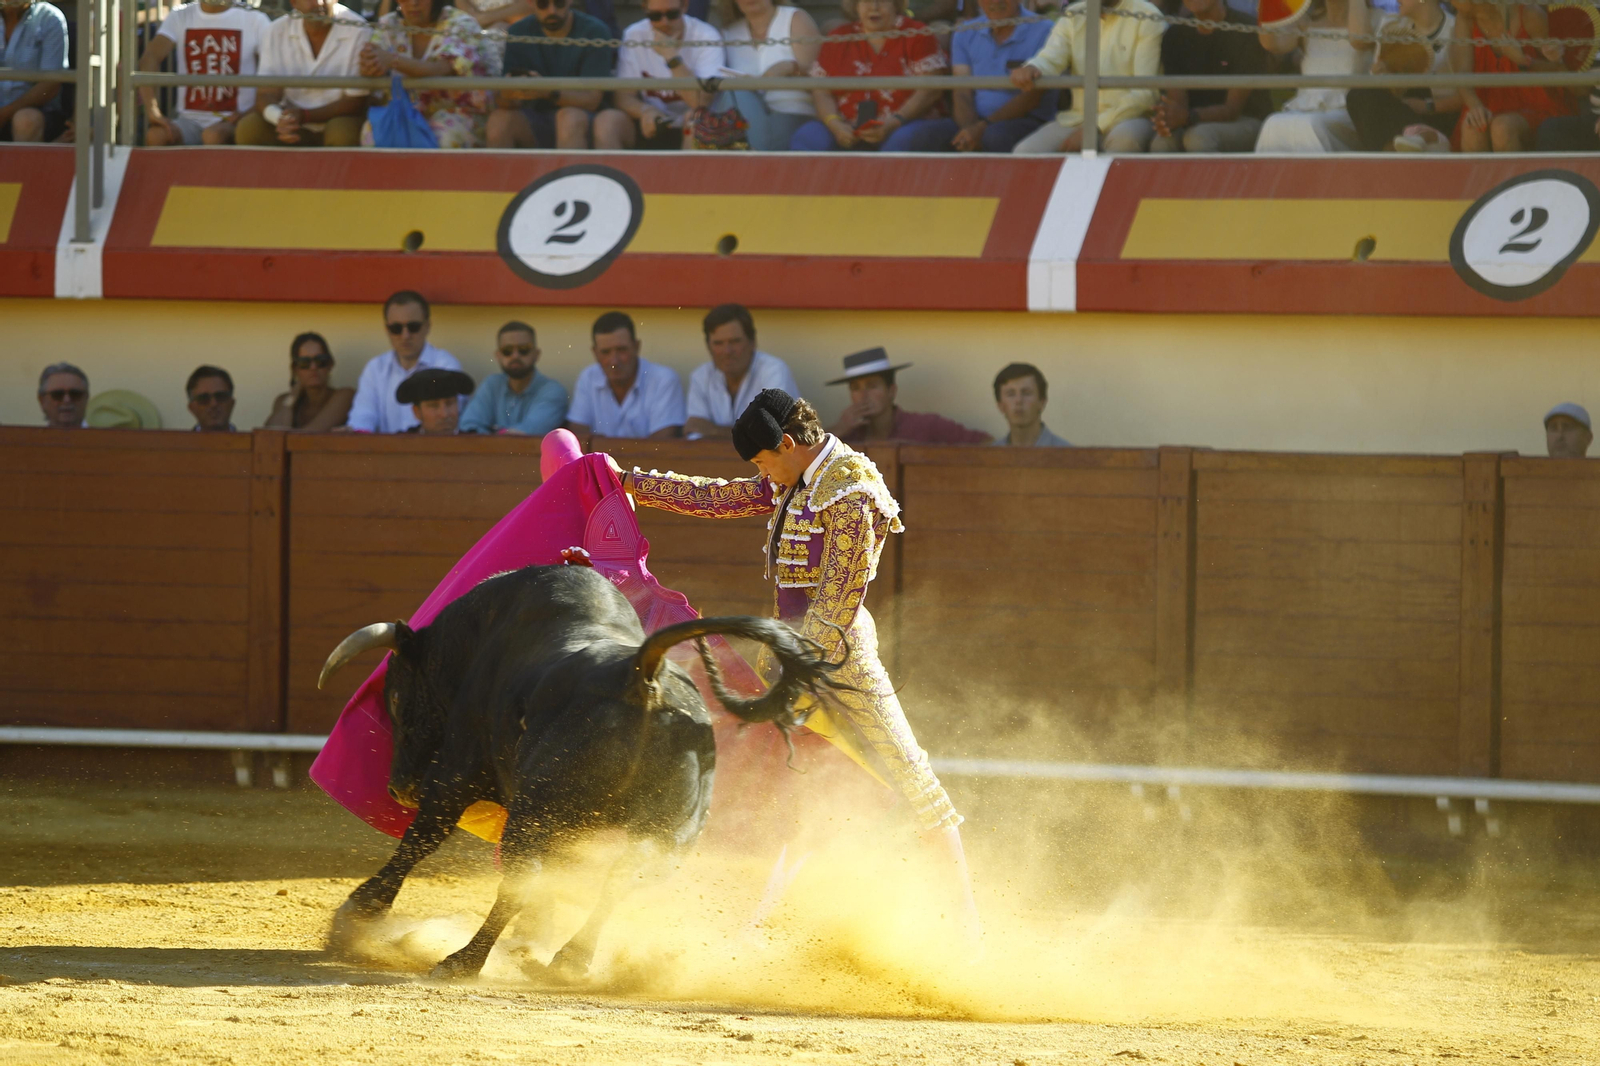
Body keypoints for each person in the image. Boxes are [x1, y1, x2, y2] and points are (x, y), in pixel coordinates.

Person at [617, 389, 981, 945]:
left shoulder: (851, 489)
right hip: (791, 655)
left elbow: (836, 603)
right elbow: (722, 498)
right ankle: (759, 922)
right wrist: (632, 483)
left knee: (917, 786)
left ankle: (966, 934)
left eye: (765, 461)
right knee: (785, 779)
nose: (764, 475)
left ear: (787, 444)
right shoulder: (798, 479)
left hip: (839, 663)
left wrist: (791, 669)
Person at [787, 0, 951, 152]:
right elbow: (821, 90)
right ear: (855, 6)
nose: (874, 7)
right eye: (865, 0)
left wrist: (893, 123)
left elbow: (929, 90)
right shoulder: (838, 37)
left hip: (908, 123)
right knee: (807, 136)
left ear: (896, 4)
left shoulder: (918, 34)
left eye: (882, 0)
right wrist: (834, 124)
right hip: (847, 127)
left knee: (901, 141)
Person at [1010, 0, 1166, 154]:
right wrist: (1033, 68)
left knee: (1125, 140)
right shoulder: (1073, 14)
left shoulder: (1146, 14)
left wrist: (1094, 127)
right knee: (1026, 152)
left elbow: (1146, 93)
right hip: (1078, 118)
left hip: (1131, 117)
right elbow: (1051, 57)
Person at [360, 0, 497, 148]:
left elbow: (440, 69)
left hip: (461, 113)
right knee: (371, 133)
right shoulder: (388, 23)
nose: (413, 3)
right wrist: (370, 65)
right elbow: (372, 61)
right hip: (403, 111)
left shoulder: (461, 23)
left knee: (443, 136)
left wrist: (392, 60)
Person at [237, 0, 370, 148]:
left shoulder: (359, 29)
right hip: (294, 121)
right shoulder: (276, 30)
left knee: (342, 132)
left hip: (337, 120)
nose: (319, 3)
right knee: (249, 129)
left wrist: (305, 115)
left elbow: (356, 102)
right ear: (294, 2)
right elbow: (266, 93)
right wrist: (280, 119)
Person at [593, 0, 724, 150]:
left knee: (697, 119)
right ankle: (611, 174)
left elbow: (700, 103)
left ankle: (687, 173)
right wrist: (644, 111)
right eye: (655, 16)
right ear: (645, 10)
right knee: (607, 121)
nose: (664, 22)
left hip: (691, 127)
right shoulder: (635, 34)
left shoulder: (706, 35)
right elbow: (623, 96)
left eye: (672, 14)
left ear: (685, 7)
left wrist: (671, 57)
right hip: (651, 125)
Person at [1145, 0, 1271, 153]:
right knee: (1162, 142)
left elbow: (1232, 109)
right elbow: (1177, 102)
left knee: (1198, 138)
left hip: (1246, 119)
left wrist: (1188, 117)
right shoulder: (1175, 35)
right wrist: (1169, 118)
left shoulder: (1246, 30)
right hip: (1192, 119)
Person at [139, 0, 271, 146]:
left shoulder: (255, 19)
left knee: (213, 136)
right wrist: (152, 110)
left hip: (236, 120)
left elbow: (272, 74)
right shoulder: (180, 15)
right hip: (188, 121)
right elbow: (150, 57)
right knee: (156, 136)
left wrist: (247, 115)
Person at [487, 0, 614, 150]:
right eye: (543, 4)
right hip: (536, 119)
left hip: (585, 121)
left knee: (568, 118)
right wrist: (509, 94)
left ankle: (571, 173)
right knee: (498, 121)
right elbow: (504, 102)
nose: (552, 11)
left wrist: (547, 91)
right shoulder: (518, 31)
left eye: (559, 4)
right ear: (530, 3)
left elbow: (592, 100)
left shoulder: (594, 31)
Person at [935, 0, 1056, 154]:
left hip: (1026, 120)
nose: (995, 1)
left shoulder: (1045, 29)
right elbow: (961, 91)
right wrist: (969, 129)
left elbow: (1032, 97)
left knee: (994, 136)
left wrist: (980, 128)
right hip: (973, 121)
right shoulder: (964, 32)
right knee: (916, 137)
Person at [1253, 0, 1374, 153]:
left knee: (1311, 125)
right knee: (1273, 123)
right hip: (1305, 108)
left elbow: (1359, 40)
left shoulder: (1374, 19)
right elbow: (1273, 45)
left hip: (1348, 112)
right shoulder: (1307, 22)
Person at [1451, 1, 1572, 153]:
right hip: (1488, 102)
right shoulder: (1464, 18)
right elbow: (1463, 73)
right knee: (1472, 128)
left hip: (1536, 105)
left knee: (1502, 128)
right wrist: (1475, 106)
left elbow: (1558, 71)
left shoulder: (1529, 14)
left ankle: (1516, 177)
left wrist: (1523, 61)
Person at [1344, 0, 1459, 152]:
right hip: (1402, 109)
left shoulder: (1455, 30)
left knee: (1418, 87)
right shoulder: (1391, 27)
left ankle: (1425, 137)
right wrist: (1383, 73)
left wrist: (1426, 106)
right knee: (1357, 95)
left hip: (1437, 112)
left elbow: (1467, 94)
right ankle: (1395, 149)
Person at [348, 290, 464, 434]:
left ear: (427, 326)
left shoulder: (445, 365)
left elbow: (449, 425)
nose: (405, 335)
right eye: (396, 328)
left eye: (413, 327)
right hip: (386, 454)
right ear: (386, 330)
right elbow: (363, 418)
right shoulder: (375, 368)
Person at [566, 311, 686, 445]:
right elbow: (578, 437)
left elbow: (661, 444)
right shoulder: (588, 377)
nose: (614, 361)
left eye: (621, 350)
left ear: (637, 347)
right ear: (595, 353)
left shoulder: (663, 379)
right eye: (605, 352)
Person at [716, 0, 821, 151]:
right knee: (733, 93)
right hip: (747, 116)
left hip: (793, 113)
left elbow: (820, 76)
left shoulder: (794, 19)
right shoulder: (729, 33)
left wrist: (790, 67)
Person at [684, 303, 800, 440]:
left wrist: (713, 430)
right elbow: (695, 435)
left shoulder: (773, 370)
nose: (727, 351)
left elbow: (771, 435)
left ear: (752, 343)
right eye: (718, 343)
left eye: (735, 341)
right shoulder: (701, 376)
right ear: (708, 347)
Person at [827, 348, 991, 444]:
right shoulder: (844, 435)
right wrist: (839, 429)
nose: (863, 396)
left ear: (891, 391)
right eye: (855, 388)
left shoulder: (926, 426)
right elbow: (805, 456)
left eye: (872, 386)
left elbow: (986, 442)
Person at [459, 320, 569, 435]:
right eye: (507, 351)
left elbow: (526, 435)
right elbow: (469, 427)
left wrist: (492, 433)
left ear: (536, 354)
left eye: (523, 349)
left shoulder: (553, 391)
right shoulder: (492, 384)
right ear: (498, 356)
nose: (515, 355)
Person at [0, 0, 69, 143]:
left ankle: (22, 166)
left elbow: (50, 85)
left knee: (26, 121)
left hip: (38, 111)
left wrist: (4, 113)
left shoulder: (50, 18)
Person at [264, 332, 356, 431]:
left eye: (320, 361)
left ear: (330, 364)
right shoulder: (283, 400)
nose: (313, 367)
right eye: (304, 362)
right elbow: (271, 437)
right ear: (295, 368)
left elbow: (311, 434)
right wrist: (292, 397)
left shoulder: (345, 396)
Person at [993, 362, 1069, 447]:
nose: (1019, 400)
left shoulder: (1069, 455)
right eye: (1011, 394)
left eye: (1026, 393)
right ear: (1000, 405)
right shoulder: (989, 457)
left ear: (1042, 401)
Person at [398, 368, 475, 435]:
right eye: (434, 406)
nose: (444, 414)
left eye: (450, 403)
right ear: (417, 411)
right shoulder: (401, 445)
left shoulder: (474, 444)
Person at [37, 362, 88, 429]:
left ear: (86, 398)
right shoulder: (28, 439)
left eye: (75, 394)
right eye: (57, 394)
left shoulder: (102, 438)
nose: (67, 400)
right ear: (42, 400)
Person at [187, 365, 237, 433]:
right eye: (204, 398)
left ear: (232, 403)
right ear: (192, 408)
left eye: (220, 396)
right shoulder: (177, 444)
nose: (214, 404)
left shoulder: (249, 443)